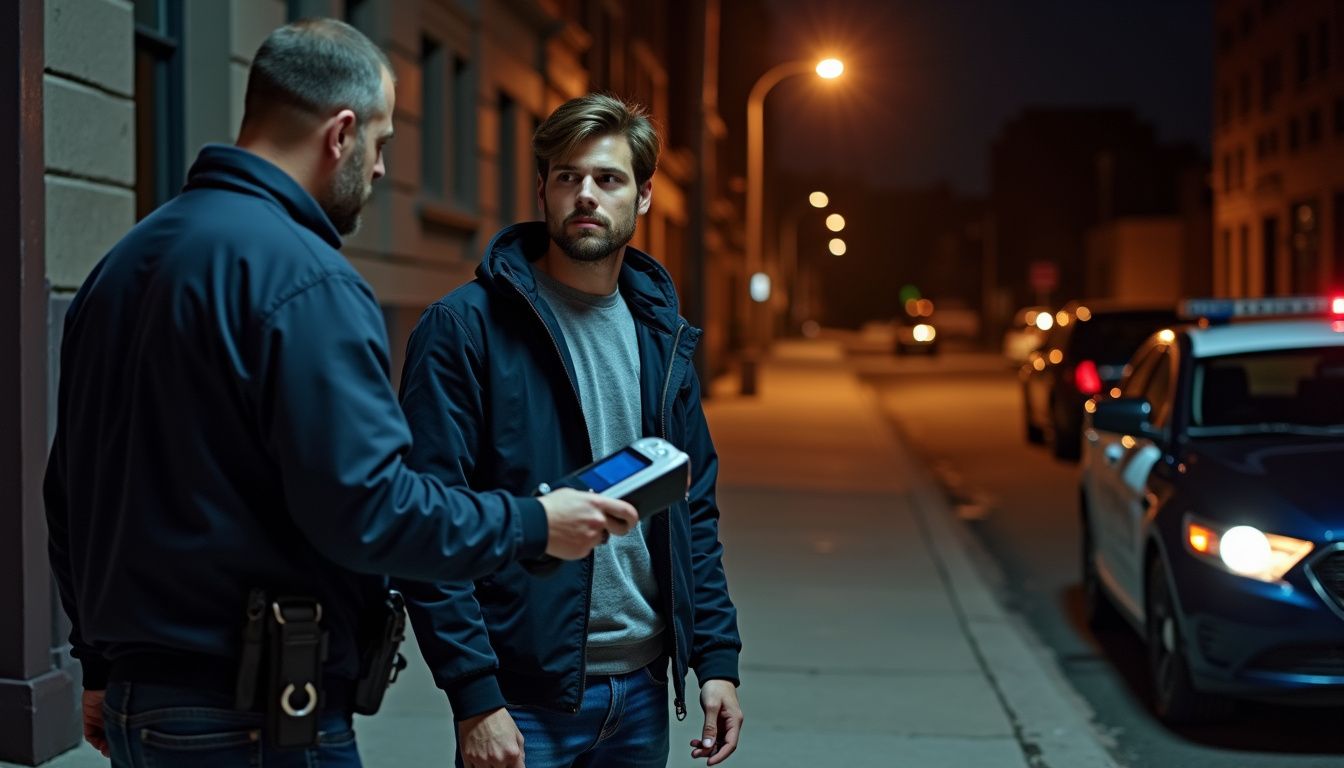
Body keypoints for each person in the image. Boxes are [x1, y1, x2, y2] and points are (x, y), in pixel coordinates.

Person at [43, 20, 636, 768]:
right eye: (382, 144)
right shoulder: (307, 280)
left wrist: (99, 665)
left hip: (142, 705)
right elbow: (372, 510)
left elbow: (67, 493)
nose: (381, 170)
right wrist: (534, 523)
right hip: (257, 715)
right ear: (341, 133)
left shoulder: (121, 266)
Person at [397, 93, 743, 768]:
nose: (585, 195)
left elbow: (692, 508)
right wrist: (475, 696)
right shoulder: (466, 328)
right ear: (543, 191)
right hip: (522, 702)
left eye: (608, 179)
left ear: (643, 198)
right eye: (567, 177)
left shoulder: (660, 337)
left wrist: (716, 660)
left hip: (642, 693)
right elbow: (430, 524)